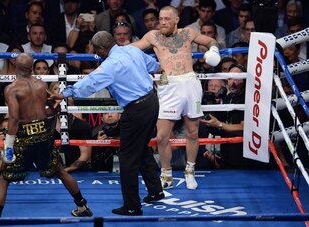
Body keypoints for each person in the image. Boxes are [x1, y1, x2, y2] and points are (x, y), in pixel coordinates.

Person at [48, 31, 164, 216]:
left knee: (127, 157)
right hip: (152, 101)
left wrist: (65, 93)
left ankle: (132, 206)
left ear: (102, 48)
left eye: (96, 50)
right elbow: (154, 65)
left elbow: (89, 83)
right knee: (141, 148)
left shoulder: (110, 65)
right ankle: (155, 191)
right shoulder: (131, 50)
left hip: (137, 110)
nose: (96, 54)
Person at [0, 53, 92, 218]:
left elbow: (14, 118)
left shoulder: (12, 88)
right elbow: (52, 109)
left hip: (23, 136)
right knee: (60, 171)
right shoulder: (41, 84)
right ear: (31, 67)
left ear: (15, 66)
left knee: (4, 178)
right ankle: (82, 206)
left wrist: (8, 144)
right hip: (43, 133)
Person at [131, 5, 221, 190]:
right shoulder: (152, 36)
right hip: (167, 85)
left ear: (176, 20)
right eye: (160, 19)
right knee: (163, 135)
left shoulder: (188, 33)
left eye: (166, 19)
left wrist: (214, 51)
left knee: (193, 132)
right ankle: (166, 173)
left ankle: (190, 171)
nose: (162, 22)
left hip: (189, 83)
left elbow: (211, 40)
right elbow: (131, 50)